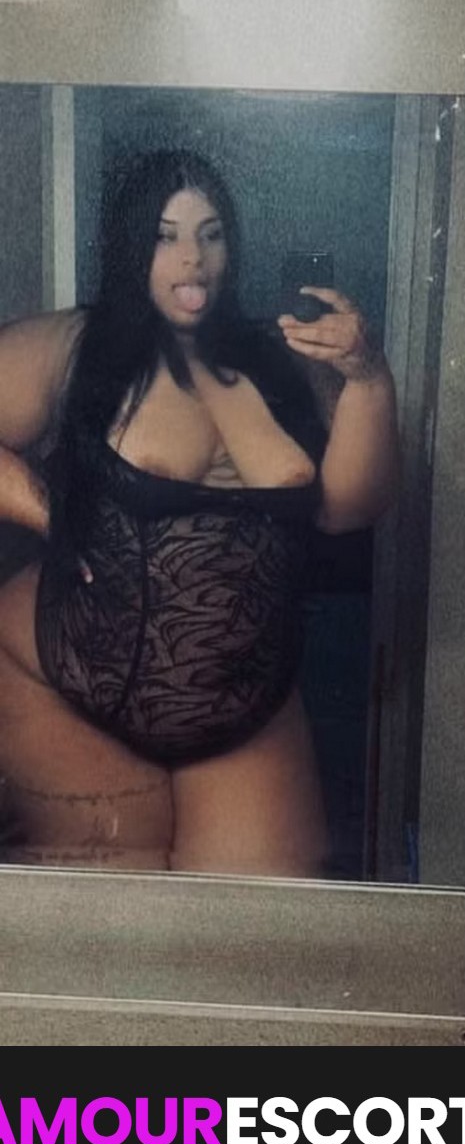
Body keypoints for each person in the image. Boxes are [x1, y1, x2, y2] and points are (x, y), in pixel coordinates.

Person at [0, 149, 399, 877]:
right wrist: (55, 517)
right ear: (130, 247)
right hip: (69, 682)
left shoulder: (279, 356)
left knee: (248, 931)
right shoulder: (75, 345)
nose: (193, 259)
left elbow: (350, 509)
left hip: (246, 703)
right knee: (118, 924)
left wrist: (367, 378)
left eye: (210, 235)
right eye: (166, 236)